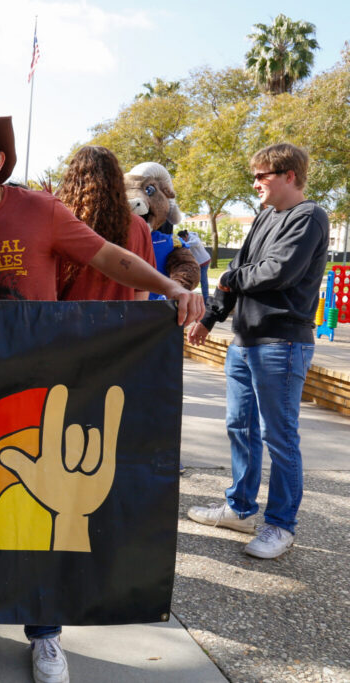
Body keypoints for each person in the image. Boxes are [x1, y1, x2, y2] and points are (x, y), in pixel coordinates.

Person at [0, 112, 204, 683]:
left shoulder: (41, 211)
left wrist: (172, 285)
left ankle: (45, 632)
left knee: (46, 508)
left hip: (49, 390)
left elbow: (108, 257)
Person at [187, 143, 329, 560]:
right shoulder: (266, 216)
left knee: (279, 436)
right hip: (244, 342)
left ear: (289, 176)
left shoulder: (310, 217)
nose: (255, 184)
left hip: (282, 345)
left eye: (262, 176)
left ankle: (281, 525)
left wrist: (232, 276)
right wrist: (211, 318)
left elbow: (278, 272)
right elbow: (242, 274)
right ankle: (240, 508)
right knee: (239, 427)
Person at [55, 146, 155, 301]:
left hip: (65, 321)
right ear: (117, 181)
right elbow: (141, 292)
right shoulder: (138, 226)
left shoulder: (60, 222)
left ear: (72, 180)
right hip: (121, 322)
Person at [177, 229, 212, 304]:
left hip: (204, 261)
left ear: (186, 236)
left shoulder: (193, 237)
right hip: (197, 262)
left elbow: (196, 242)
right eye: (182, 239)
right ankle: (188, 297)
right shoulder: (186, 239)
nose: (183, 240)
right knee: (191, 278)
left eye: (183, 239)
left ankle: (206, 300)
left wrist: (184, 243)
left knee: (203, 280)